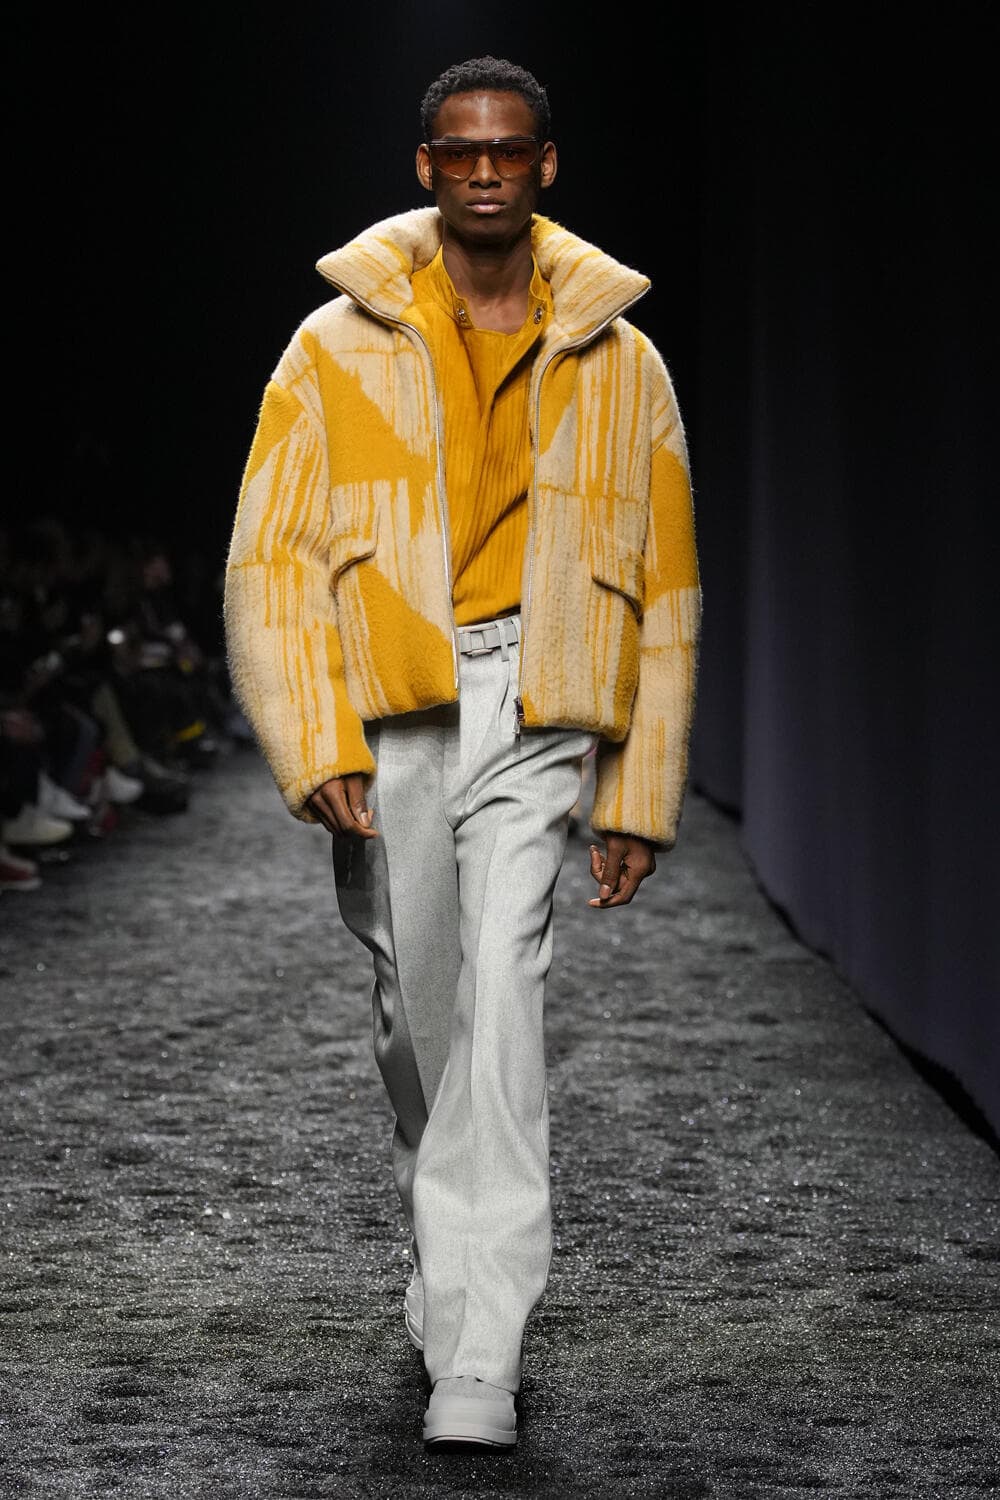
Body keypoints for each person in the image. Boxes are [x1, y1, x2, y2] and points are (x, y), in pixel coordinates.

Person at [224, 55, 701, 1451]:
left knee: (504, 995)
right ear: (425, 167)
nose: (485, 171)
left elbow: (667, 587)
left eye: (508, 150)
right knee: (418, 1008)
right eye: (459, 151)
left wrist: (639, 792)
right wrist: (313, 734)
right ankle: (446, 1257)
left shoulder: (623, 359)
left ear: (546, 164)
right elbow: (270, 559)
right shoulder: (333, 346)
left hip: (542, 698)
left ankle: (482, 1346)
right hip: (394, 705)